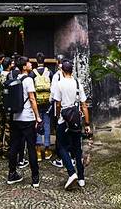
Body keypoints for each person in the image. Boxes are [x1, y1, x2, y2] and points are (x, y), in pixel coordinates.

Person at [53, 60, 91, 189]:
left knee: (61, 147)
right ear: (72, 70)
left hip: (63, 120)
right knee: (77, 148)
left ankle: (71, 172)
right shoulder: (77, 83)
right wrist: (87, 123)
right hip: (76, 119)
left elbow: (58, 103)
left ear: (62, 71)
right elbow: (84, 105)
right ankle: (81, 178)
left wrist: (58, 115)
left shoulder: (59, 84)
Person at [6, 56, 42, 188]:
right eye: (28, 63)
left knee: (14, 147)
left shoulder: (15, 79)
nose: (30, 64)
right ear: (24, 67)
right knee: (31, 147)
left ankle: (11, 174)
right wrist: (37, 116)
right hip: (28, 118)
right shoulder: (28, 80)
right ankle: (35, 177)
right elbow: (32, 99)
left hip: (16, 118)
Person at [33, 52, 53, 161]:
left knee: (38, 124)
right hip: (47, 102)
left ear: (36, 61)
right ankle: (47, 149)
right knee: (47, 124)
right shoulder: (49, 72)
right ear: (44, 61)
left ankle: (38, 151)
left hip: (37, 102)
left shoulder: (33, 73)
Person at [0, 57, 12, 157]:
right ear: (9, 66)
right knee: (8, 127)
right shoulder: (10, 78)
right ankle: (6, 149)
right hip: (7, 106)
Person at [50, 54, 65, 168]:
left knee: (59, 131)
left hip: (59, 107)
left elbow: (53, 93)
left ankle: (60, 155)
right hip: (71, 108)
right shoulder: (71, 76)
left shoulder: (56, 76)